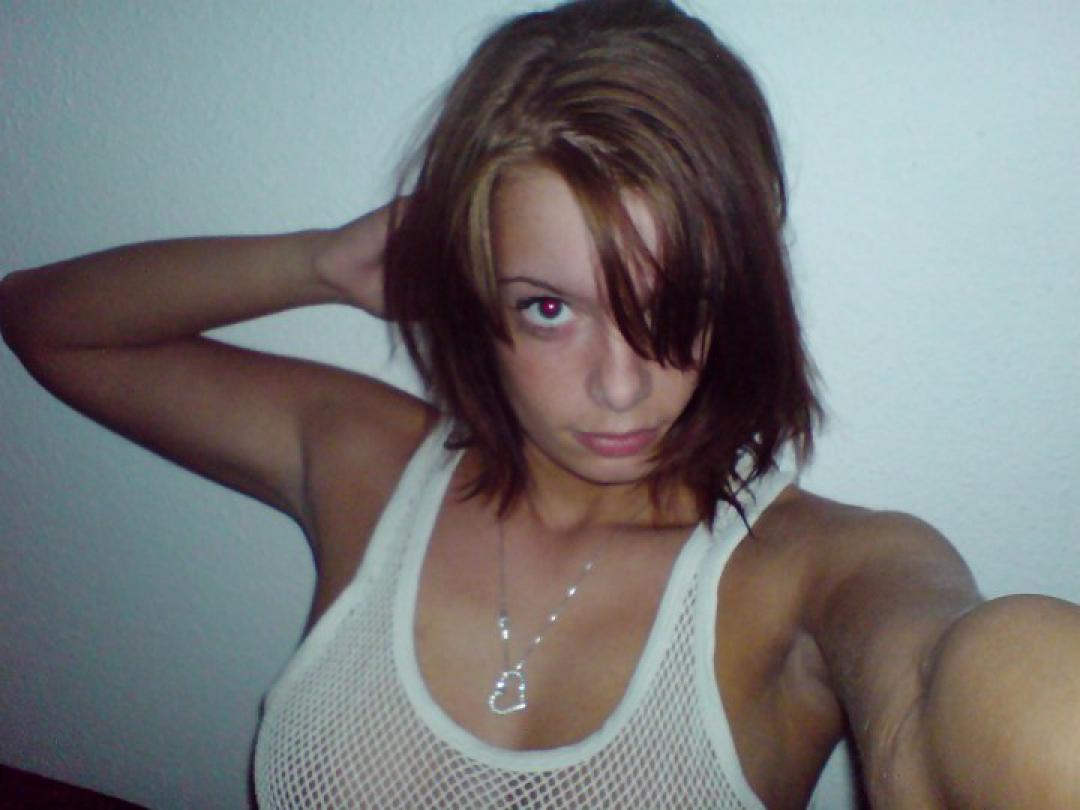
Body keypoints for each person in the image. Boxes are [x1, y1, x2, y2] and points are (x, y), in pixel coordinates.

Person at [1, 0, 1077, 807]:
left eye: (677, 301)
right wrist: (321, 262)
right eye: (550, 307)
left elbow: (944, 686)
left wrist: (1009, 692)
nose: (621, 383)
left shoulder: (817, 569)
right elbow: (47, 321)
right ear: (475, 290)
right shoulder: (371, 464)